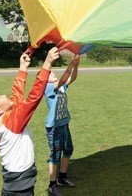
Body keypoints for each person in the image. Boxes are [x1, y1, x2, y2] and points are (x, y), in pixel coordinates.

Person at [0, 47, 60, 196]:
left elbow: (16, 97)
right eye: (0, 97)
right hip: (20, 183)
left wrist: (22, 69)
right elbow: (33, 98)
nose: (4, 95)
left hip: (15, 179)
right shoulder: (11, 124)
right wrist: (47, 64)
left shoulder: (3, 119)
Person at [44, 51, 81, 196]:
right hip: (54, 127)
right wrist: (70, 65)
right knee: (55, 154)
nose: (52, 72)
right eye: (50, 72)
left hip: (64, 124)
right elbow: (63, 78)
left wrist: (76, 66)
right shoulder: (48, 88)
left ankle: (62, 177)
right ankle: (52, 185)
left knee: (68, 149)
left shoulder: (60, 87)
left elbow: (72, 78)